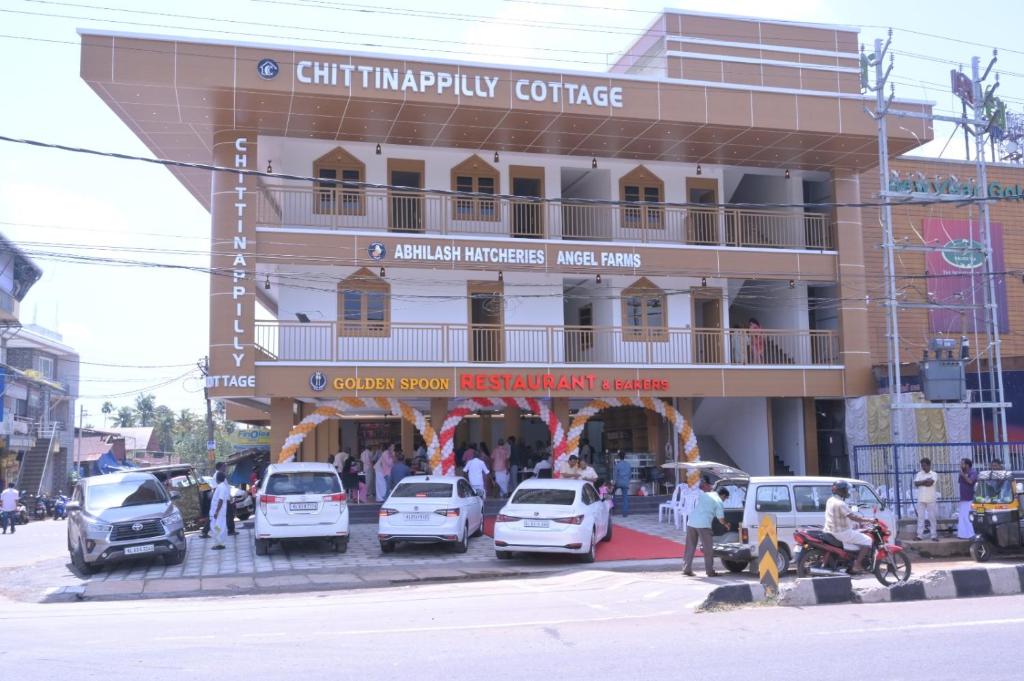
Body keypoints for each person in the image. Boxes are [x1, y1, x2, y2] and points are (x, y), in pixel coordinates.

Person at [682, 479, 730, 577]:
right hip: (703, 525)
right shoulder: (718, 501)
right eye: (726, 498)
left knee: (690, 547)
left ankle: (686, 569)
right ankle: (710, 571)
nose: (725, 500)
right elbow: (721, 519)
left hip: (691, 522)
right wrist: (726, 524)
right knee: (708, 549)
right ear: (723, 495)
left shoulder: (705, 495)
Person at [824, 480, 873, 573]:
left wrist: (856, 524)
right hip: (841, 533)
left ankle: (850, 562)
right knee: (868, 540)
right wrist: (869, 520)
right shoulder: (840, 503)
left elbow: (840, 517)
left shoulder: (830, 500)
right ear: (841, 491)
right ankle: (857, 564)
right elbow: (853, 517)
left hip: (831, 530)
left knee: (856, 533)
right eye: (846, 489)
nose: (847, 491)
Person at [914, 457, 939, 542]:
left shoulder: (934, 474)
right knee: (920, 517)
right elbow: (916, 483)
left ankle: (933, 535)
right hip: (921, 498)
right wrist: (925, 480)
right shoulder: (919, 474)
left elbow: (930, 484)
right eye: (922, 466)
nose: (923, 467)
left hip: (931, 499)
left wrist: (922, 482)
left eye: (924, 466)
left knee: (932, 517)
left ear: (929, 465)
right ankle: (919, 535)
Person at [209, 471, 231, 550]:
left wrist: (216, 512)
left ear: (217, 479)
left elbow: (220, 501)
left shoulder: (221, 487)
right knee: (217, 527)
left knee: (218, 528)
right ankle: (219, 542)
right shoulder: (221, 486)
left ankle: (220, 544)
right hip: (217, 512)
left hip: (219, 513)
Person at [958, 458, 978, 539]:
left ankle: (971, 534)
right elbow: (960, 483)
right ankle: (962, 534)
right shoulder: (962, 473)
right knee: (962, 517)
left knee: (968, 517)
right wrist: (962, 475)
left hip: (970, 498)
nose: (961, 465)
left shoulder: (973, 472)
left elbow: (970, 482)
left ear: (967, 465)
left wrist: (963, 475)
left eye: (962, 463)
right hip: (963, 498)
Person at [214, 461, 236, 536]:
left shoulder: (221, 479)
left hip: (225, 500)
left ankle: (222, 532)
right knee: (227, 516)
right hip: (223, 501)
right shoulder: (219, 477)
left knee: (227, 516)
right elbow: (220, 497)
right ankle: (227, 531)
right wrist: (217, 510)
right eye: (224, 466)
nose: (225, 468)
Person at [612, 451, 633, 517]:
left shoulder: (617, 465)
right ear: (625, 457)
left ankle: (613, 506)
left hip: (618, 482)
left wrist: (614, 482)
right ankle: (625, 513)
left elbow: (615, 475)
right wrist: (628, 481)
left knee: (612, 494)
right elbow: (630, 475)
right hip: (625, 482)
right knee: (625, 498)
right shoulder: (628, 464)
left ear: (619, 457)